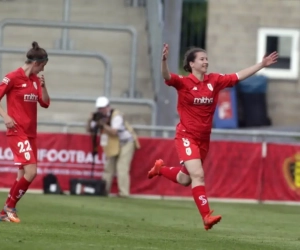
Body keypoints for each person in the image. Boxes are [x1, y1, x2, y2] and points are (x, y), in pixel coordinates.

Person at [148, 44, 278, 230]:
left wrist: (261, 64)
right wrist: (163, 61)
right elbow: (166, 76)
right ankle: (206, 217)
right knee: (198, 175)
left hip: (203, 139)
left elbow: (238, 76)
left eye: (206, 58)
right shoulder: (184, 83)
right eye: (202, 59)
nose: (206, 61)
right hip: (186, 135)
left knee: (186, 180)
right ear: (191, 64)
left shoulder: (214, 80)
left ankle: (160, 169)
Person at [0, 41, 50, 222]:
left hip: (31, 134)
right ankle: (10, 207)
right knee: (31, 172)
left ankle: (4, 213)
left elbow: (45, 103)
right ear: (36, 63)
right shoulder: (12, 77)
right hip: (17, 131)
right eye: (42, 66)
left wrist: (44, 87)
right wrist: (5, 116)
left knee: (22, 175)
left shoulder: (36, 81)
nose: (42, 70)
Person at [87, 96, 140, 197]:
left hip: (126, 143)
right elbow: (90, 129)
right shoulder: (100, 117)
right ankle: (103, 191)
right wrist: (91, 120)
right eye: (99, 108)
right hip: (113, 144)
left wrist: (102, 125)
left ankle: (123, 193)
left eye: (102, 108)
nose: (100, 110)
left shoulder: (116, 116)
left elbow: (114, 131)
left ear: (107, 107)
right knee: (108, 168)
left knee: (122, 167)